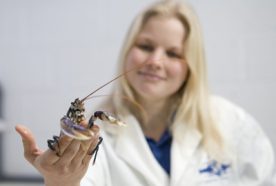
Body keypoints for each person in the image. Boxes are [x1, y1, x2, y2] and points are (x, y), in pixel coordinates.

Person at [15, 0, 275, 185]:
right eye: (145, 46)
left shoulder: (232, 123)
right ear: (128, 51)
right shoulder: (99, 132)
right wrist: (61, 182)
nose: (155, 61)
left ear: (192, 66)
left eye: (173, 53)